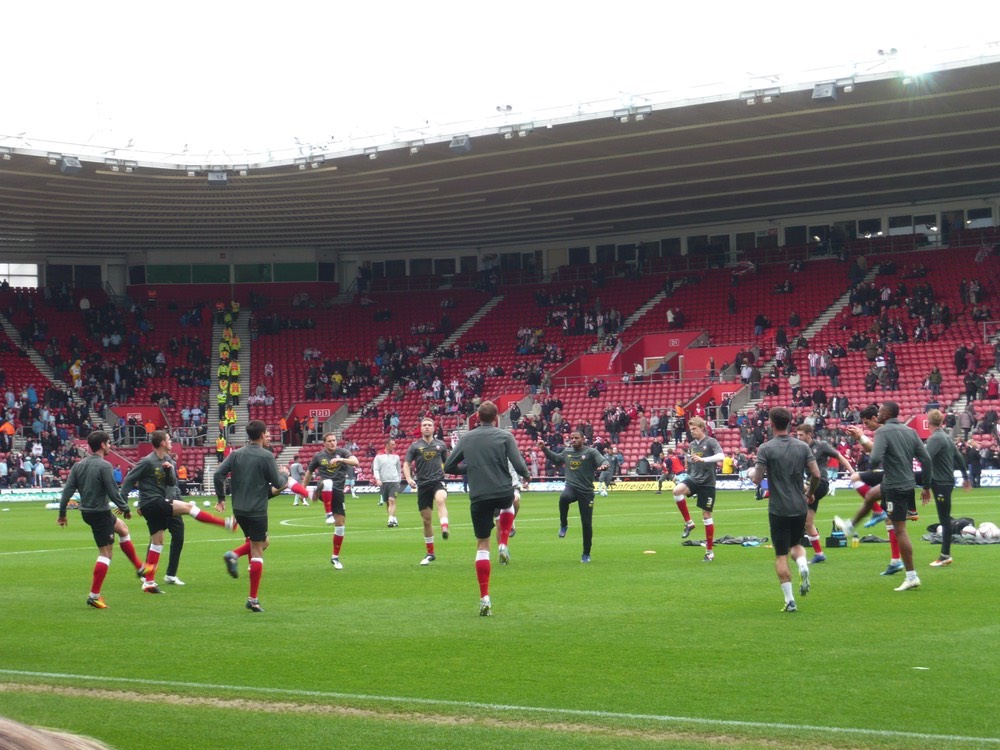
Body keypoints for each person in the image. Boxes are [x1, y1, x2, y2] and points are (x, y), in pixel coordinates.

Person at [121, 430, 236, 593]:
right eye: (168, 439)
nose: (170, 441)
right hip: (152, 502)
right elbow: (129, 479)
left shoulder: (167, 459)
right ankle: (225, 523)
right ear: (162, 443)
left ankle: (149, 582)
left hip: (155, 504)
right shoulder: (147, 461)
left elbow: (171, 482)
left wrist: (168, 470)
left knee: (157, 542)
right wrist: (123, 503)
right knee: (189, 507)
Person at [443, 401, 530, 616]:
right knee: (510, 502)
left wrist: (468, 468)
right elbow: (518, 465)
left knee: (482, 544)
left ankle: (484, 597)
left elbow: (449, 466)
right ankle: (503, 543)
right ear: (496, 418)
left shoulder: (466, 438)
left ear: (477, 418)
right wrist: (527, 474)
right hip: (502, 490)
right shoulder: (504, 436)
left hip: (479, 496)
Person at [836, 401, 931, 591]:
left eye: (879, 412)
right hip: (906, 483)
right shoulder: (910, 431)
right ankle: (851, 526)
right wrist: (926, 487)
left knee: (900, 529)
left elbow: (876, 458)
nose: (877, 414)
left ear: (886, 414)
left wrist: (871, 463)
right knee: (871, 496)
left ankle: (911, 575)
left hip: (894, 486)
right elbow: (926, 459)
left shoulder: (882, 432)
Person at [57, 430, 151, 608]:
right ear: (102, 445)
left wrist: (62, 513)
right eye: (109, 443)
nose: (110, 446)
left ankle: (140, 568)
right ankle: (94, 595)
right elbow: (112, 491)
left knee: (123, 529)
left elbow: (67, 491)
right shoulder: (105, 465)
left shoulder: (78, 466)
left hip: (90, 511)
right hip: (99, 513)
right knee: (106, 554)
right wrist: (125, 508)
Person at [214, 420, 289, 612]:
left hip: (239, 510)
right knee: (258, 549)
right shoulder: (266, 456)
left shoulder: (236, 454)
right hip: (257, 511)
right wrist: (285, 475)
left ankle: (236, 555)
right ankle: (253, 599)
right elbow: (276, 481)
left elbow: (218, 474)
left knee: (262, 542)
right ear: (263, 434)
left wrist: (221, 499)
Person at [752, 407, 820, 613]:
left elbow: (757, 478)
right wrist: (810, 493)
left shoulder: (766, 448)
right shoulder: (802, 446)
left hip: (779, 508)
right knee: (796, 543)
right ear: (790, 423)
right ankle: (803, 565)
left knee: (781, 555)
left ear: (771, 423)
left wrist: (750, 474)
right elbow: (816, 474)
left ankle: (790, 600)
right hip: (800, 506)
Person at [537, 431, 608, 563]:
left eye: (576, 438)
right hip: (572, 487)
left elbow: (602, 460)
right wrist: (544, 449)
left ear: (583, 439)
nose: (573, 440)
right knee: (564, 498)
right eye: (572, 438)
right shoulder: (566, 452)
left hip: (586, 492)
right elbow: (556, 458)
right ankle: (564, 524)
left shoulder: (591, 452)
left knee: (586, 524)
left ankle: (586, 553)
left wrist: (604, 465)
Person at [795, 423, 854, 564]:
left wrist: (852, 472)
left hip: (820, 483)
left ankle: (768, 493)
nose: (798, 437)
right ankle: (819, 554)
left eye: (801, 435)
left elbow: (839, 456)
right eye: (797, 435)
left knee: (793, 496)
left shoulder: (821, 446)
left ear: (809, 434)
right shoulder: (799, 449)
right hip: (809, 485)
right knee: (808, 522)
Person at [302, 433, 359, 569]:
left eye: (334, 440)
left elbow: (356, 462)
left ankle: (335, 557)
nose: (333, 443)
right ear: (324, 443)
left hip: (338, 493)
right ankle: (327, 514)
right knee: (327, 482)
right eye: (329, 441)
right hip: (324, 488)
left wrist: (341, 460)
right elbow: (309, 473)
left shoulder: (343, 452)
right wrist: (302, 487)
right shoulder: (319, 456)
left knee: (340, 525)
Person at [671, 417, 725, 562]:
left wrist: (704, 460)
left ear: (702, 428)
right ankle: (689, 523)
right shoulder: (692, 445)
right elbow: (692, 463)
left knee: (707, 516)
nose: (692, 432)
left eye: (694, 429)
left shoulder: (711, 442)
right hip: (694, 479)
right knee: (676, 491)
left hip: (707, 483)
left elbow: (721, 456)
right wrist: (684, 476)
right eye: (691, 429)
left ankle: (709, 552)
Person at [924, 409, 971, 567]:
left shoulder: (935, 438)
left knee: (944, 519)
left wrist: (925, 486)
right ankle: (945, 554)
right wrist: (965, 477)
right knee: (944, 518)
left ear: (928, 423)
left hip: (940, 482)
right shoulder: (946, 437)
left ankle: (945, 555)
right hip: (947, 481)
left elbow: (925, 458)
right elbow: (958, 457)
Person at [403, 417, 452, 564]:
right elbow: (406, 464)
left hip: (438, 481)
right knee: (426, 521)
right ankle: (430, 553)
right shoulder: (415, 446)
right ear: (421, 428)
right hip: (423, 484)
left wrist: (447, 472)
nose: (427, 427)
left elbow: (447, 462)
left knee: (440, 499)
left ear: (434, 428)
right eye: (424, 425)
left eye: (429, 425)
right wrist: (408, 478)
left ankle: (444, 527)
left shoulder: (441, 445)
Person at [371, 437, 401, 527]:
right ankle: (394, 519)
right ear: (387, 445)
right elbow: (375, 469)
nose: (394, 446)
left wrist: (399, 479)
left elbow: (398, 469)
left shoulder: (396, 457)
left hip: (394, 481)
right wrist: (378, 479)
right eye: (392, 444)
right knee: (388, 502)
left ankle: (390, 520)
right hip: (384, 482)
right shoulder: (379, 456)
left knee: (392, 500)